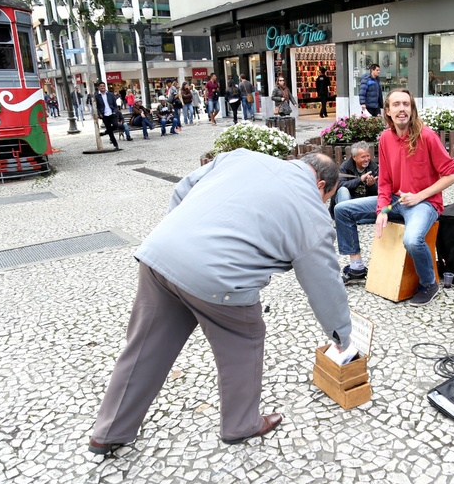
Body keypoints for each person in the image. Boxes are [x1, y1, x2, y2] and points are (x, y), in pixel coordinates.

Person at [87, 150, 352, 454]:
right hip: (220, 281)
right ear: (321, 186)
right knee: (244, 337)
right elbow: (324, 282)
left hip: (160, 255)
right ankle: (241, 424)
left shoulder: (241, 157)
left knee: (144, 347)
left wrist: (183, 242)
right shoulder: (311, 211)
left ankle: (109, 431)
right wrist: (340, 334)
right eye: (326, 198)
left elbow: (182, 189)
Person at [334, 89, 454, 306]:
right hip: (394, 201)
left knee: (411, 240)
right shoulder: (385, 139)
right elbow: (385, 182)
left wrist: (419, 196)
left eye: (406, 104)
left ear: (412, 109)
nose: (402, 109)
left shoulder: (427, 136)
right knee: (342, 210)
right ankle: (356, 267)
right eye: (396, 105)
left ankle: (429, 284)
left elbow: (452, 175)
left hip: (426, 203)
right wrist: (382, 210)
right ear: (388, 111)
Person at [329, 141, 378, 220]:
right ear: (354, 157)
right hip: (350, 200)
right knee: (343, 190)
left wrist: (371, 186)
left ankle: (356, 218)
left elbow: (379, 192)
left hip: (364, 203)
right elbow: (339, 185)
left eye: (368, 156)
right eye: (363, 157)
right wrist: (360, 180)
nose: (366, 159)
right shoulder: (345, 167)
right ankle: (345, 218)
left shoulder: (374, 168)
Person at [94, 81, 120, 150]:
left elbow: (115, 105)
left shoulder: (110, 94)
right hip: (104, 115)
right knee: (110, 131)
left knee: (116, 126)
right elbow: (96, 107)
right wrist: (99, 114)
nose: (102, 87)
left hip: (112, 113)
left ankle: (105, 132)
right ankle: (115, 144)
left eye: (103, 86)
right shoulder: (96, 96)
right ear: (98, 87)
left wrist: (114, 111)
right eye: (101, 86)